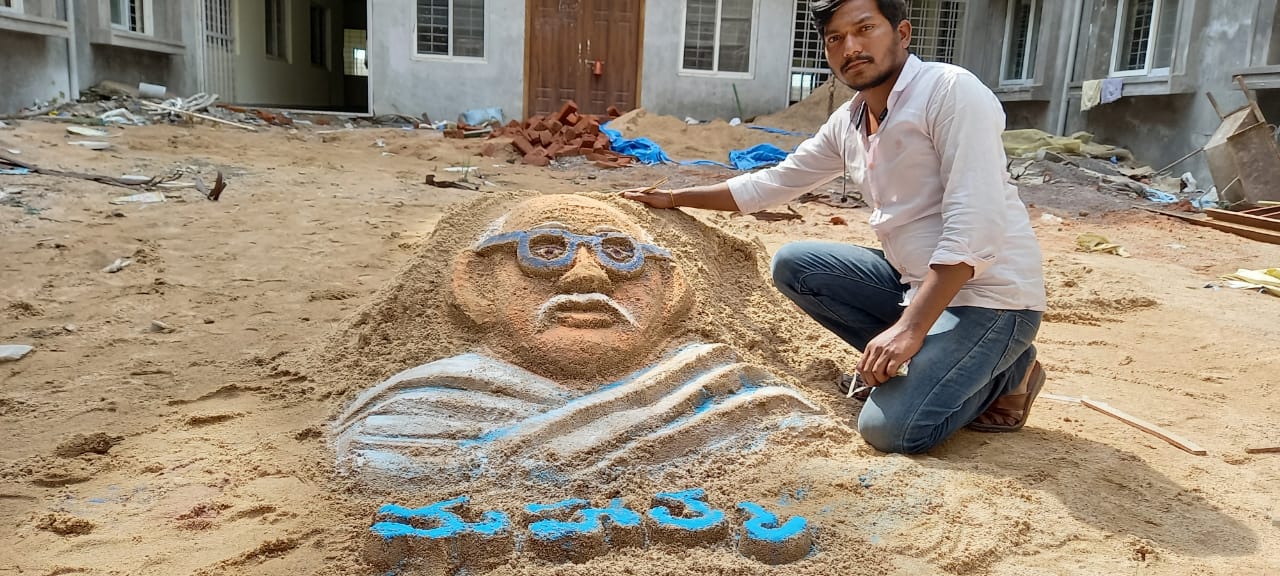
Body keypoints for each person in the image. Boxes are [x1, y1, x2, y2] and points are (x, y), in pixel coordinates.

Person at [622, 0, 1047, 454]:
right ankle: (942, 359)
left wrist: (908, 330)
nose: (852, 47)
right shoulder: (850, 120)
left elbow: (975, 223)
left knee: (892, 430)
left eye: (865, 29)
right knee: (795, 265)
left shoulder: (950, 92)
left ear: (902, 33)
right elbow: (776, 182)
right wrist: (674, 197)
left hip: (991, 298)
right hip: (913, 282)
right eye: (836, 38)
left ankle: (1006, 371)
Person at [334, 195, 828, 481]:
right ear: (474, 285)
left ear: (671, 288)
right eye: (546, 250)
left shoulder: (737, 396)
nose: (587, 277)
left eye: (620, 253)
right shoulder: (406, 419)